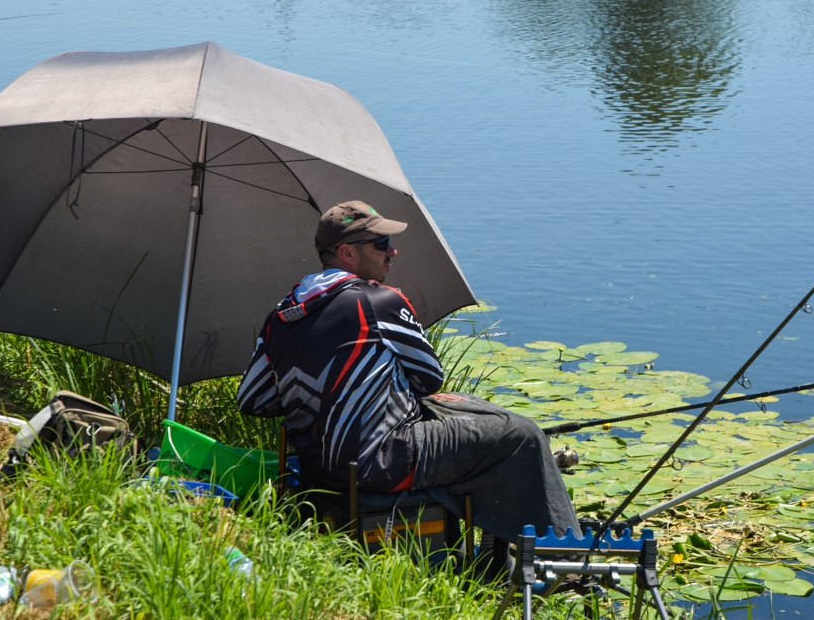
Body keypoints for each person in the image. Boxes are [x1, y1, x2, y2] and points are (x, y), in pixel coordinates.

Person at [237, 201, 579, 546]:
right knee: (521, 434)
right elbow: (429, 379)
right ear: (347, 253)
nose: (393, 251)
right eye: (381, 244)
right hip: (384, 462)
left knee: (468, 407)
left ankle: (499, 550)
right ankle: (566, 559)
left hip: (319, 472)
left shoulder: (281, 316)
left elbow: (255, 400)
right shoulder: (377, 302)